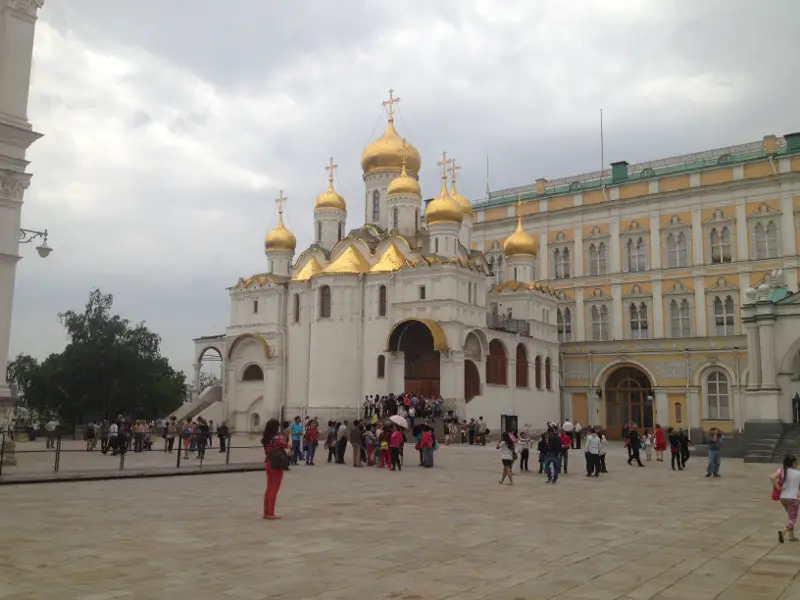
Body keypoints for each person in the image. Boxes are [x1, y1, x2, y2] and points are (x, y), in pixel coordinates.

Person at [261, 419, 289, 520]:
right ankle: (271, 512)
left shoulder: (266, 438)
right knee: (274, 489)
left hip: (268, 462)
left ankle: (266, 511)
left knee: (269, 489)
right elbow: (288, 445)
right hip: (276, 464)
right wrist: (288, 435)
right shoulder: (277, 438)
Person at [772, 454, 800, 543]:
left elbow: (772, 477)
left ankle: (792, 536)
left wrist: (777, 487)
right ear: (794, 463)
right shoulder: (798, 473)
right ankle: (783, 531)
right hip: (793, 499)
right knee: (793, 518)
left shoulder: (781, 470)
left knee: (790, 516)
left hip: (783, 498)